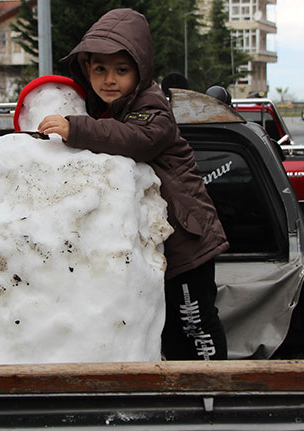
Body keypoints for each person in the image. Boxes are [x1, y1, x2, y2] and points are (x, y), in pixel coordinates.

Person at [37, 8, 230, 360]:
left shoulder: (150, 107)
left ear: (140, 70)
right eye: (99, 69)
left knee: (194, 322)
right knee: (167, 326)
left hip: (185, 242)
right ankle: (182, 390)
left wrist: (75, 128)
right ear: (86, 70)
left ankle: (211, 390)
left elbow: (137, 139)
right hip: (156, 246)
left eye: (121, 70)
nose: (109, 79)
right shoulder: (109, 111)